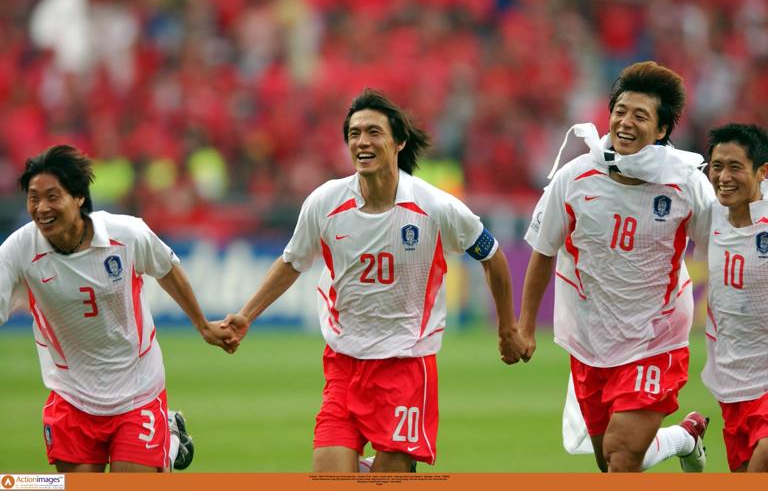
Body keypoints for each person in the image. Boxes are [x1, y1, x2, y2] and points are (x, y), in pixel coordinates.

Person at [221, 88, 524, 472]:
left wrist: (507, 329)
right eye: (354, 133)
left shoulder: (434, 207)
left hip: (405, 365)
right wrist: (247, 316)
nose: (362, 141)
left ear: (398, 142)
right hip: (344, 363)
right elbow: (291, 262)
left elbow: (493, 255)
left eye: (373, 132)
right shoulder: (325, 203)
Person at [515, 61, 714, 472]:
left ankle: (673, 438)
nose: (625, 122)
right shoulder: (575, 176)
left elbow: (722, 247)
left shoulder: (686, 183)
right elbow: (543, 249)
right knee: (613, 462)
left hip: (656, 336)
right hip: (592, 338)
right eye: (620, 111)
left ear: (661, 130)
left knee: (622, 456)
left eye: (640, 116)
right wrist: (525, 326)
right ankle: (682, 437)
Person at [0, 145, 238, 472]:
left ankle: (164, 438)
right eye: (33, 198)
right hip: (70, 395)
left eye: (53, 196)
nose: (41, 208)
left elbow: (166, 267)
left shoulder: (126, 234)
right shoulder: (17, 251)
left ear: (79, 197)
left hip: (136, 389)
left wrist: (202, 325)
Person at [703, 123, 768, 472]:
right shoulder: (707, 214)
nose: (723, 177)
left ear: (762, 172)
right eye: (717, 166)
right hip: (733, 380)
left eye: (735, 167)